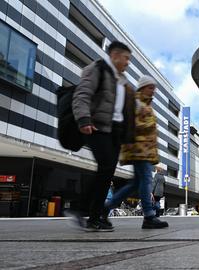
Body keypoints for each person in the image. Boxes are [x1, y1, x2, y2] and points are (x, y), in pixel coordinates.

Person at [71, 41, 136, 232]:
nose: (127, 63)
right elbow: (82, 94)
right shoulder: (98, 68)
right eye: (126, 58)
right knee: (105, 168)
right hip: (97, 126)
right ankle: (85, 212)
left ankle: (96, 215)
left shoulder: (122, 80)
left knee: (106, 172)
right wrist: (83, 118)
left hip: (114, 131)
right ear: (115, 55)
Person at [105, 75, 169, 229]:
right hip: (138, 150)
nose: (153, 91)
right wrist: (148, 123)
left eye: (154, 88)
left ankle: (106, 208)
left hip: (144, 151)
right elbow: (133, 125)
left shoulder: (145, 105)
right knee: (145, 181)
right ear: (142, 87)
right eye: (150, 87)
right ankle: (148, 216)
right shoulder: (136, 103)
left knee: (136, 183)